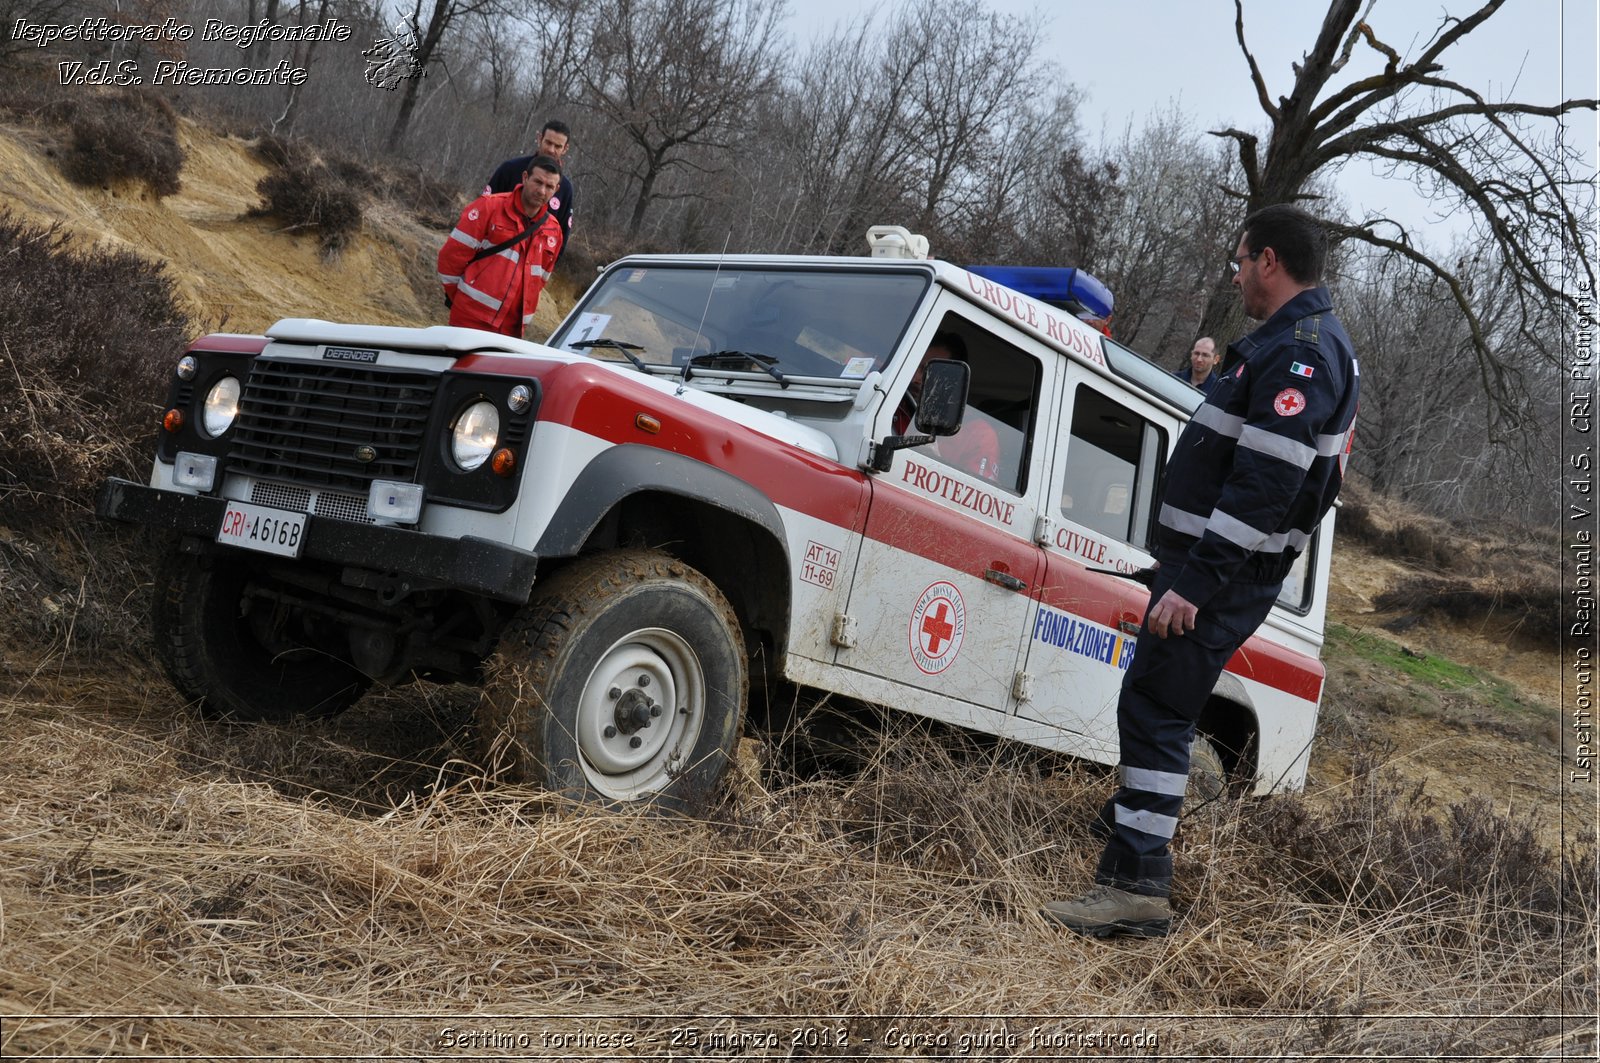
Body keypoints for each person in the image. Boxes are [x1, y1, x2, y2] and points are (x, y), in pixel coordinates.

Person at [1041, 204, 1360, 938]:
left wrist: (1194, 581)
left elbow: (1266, 486)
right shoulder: (1293, 341)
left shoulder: (1301, 352)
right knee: (1156, 702)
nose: (1240, 274)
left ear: (1270, 261)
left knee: (1155, 707)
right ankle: (1135, 828)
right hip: (1209, 567)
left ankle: (1135, 883)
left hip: (1220, 575)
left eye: (1241, 261)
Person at [437, 155, 564, 339]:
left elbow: (540, 279)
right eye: (538, 182)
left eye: (549, 187)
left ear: (556, 189)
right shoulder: (489, 207)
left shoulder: (553, 230)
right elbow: (451, 258)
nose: (542, 191)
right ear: (525, 177)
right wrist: (461, 298)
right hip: (469, 320)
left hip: (512, 330)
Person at [895, 332, 1002, 482]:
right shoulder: (895, 405)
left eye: (929, 372)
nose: (915, 379)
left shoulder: (979, 434)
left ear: (953, 382)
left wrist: (934, 463)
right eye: (914, 368)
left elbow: (972, 496)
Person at [485, 120, 575, 263]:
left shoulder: (565, 189)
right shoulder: (510, 169)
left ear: (565, 149)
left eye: (558, 146)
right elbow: (484, 209)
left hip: (529, 268)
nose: (551, 150)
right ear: (540, 139)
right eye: (548, 143)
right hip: (492, 256)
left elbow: (561, 238)